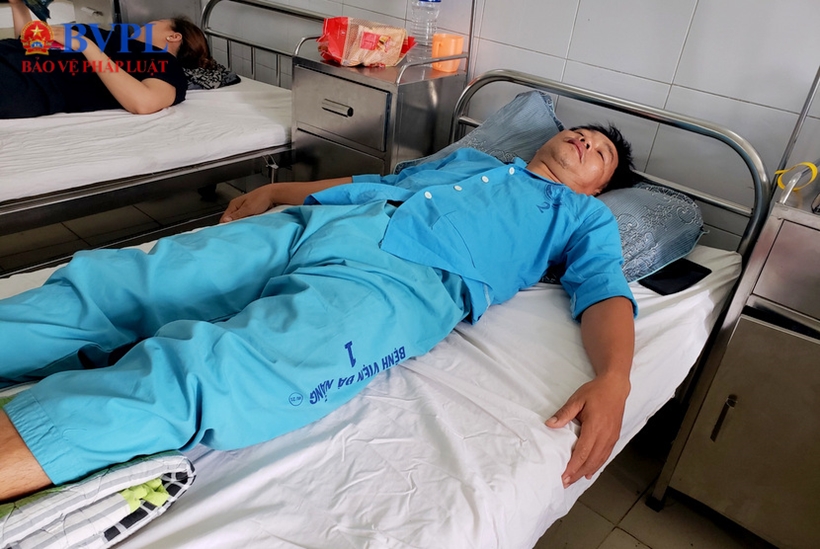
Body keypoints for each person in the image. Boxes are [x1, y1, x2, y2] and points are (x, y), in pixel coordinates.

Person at [0, 124, 637, 503]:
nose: (586, 140)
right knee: (121, 284)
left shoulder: (582, 217)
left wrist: (615, 377)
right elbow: (377, 186)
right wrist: (282, 191)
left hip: (407, 280)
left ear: (600, 186)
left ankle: (30, 440)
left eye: (602, 152)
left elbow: (605, 293)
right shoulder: (473, 161)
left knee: (228, 372)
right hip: (320, 224)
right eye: (582, 131)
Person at [0, 0, 213, 118]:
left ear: (174, 36)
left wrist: (84, 44)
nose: (146, 25)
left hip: (21, 82)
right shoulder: (117, 41)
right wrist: (18, 6)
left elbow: (144, 102)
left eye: (155, 23)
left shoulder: (166, 62)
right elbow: (28, 44)